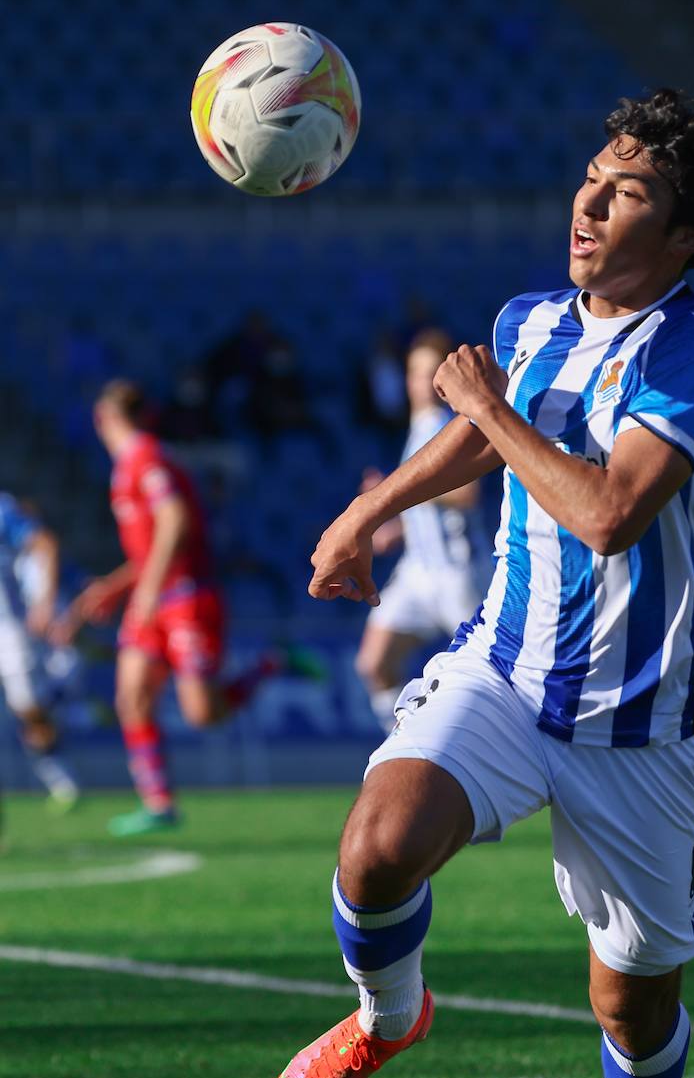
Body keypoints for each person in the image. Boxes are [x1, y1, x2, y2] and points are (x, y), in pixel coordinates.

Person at [264, 88, 694, 1078]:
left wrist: (486, 405)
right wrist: (369, 511)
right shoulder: (533, 317)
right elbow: (472, 437)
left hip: (644, 729)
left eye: (628, 192)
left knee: (630, 1004)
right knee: (375, 846)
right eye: (593, 174)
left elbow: (607, 513)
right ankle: (387, 1019)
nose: (588, 201)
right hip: (503, 670)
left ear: (688, 234)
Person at [54, 380, 296, 837]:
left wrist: (144, 591)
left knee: (202, 713)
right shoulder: (127, 468)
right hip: (156, 597)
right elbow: (151, 547)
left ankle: (273, 663)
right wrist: (116, 586)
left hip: (186, 594)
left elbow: (174, 521)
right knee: (132, 696)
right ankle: (159, 803)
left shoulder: (146, 458)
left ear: (102, 420)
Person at [354, 328, 488, 730]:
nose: (422, 383)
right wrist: (399, 530)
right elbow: (429, 507)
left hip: (459, 573)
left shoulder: (451, 424)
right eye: (415, 372)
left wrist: (397, 492)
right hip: (418, 570)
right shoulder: (417, 428)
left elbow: (467, 494)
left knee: (491, 682)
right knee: (374, 663)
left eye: (432, 372)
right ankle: (402, 748)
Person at [0, 493, 80, 816]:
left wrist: (45, 602)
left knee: (29, 709)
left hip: (9, 631)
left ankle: (60, 774)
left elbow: (44, 542)